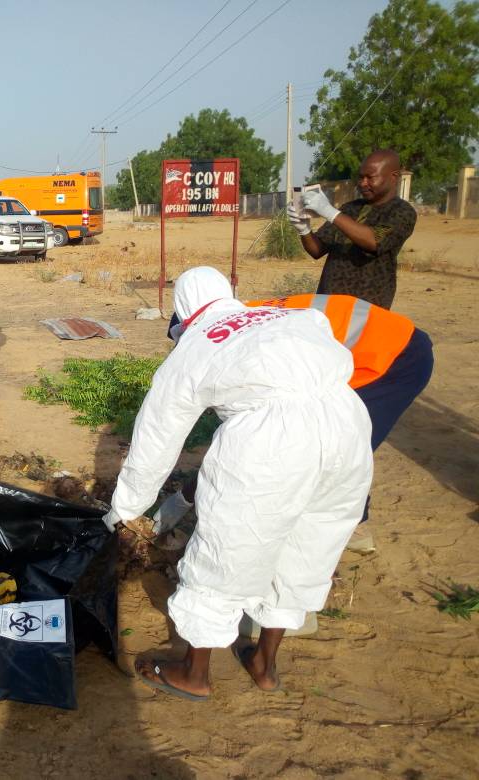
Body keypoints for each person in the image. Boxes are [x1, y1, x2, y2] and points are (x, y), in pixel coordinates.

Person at [104, 266, 372, 701]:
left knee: (226, 553)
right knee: (308, 546)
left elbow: (156, 437)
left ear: (184, 315)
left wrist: (126, 506)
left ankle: (193, 674)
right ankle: (264, 665)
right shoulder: (290, 316)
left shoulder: (195, 346)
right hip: (347, 423)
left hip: (271, 445)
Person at [159, 293, 434, 554]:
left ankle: (348, 531)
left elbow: (248, 442)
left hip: (393, 359)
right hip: (375, 340)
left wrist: (183, 498)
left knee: (332, 444)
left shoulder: (254, 348)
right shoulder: (243, 316)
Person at [288, 149, 417, 309]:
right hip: (328, 304)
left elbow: (375, 241)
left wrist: (329, 211)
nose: (363, 183)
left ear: (393, 177)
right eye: (361, 177)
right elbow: (317, 250)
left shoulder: (401, 211)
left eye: (370, 177)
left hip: (367, 308)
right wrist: (304, 230)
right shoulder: (349, 209)